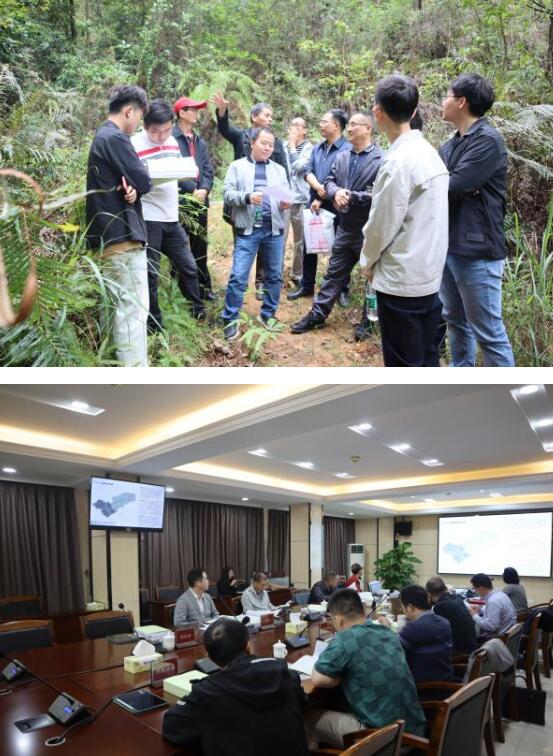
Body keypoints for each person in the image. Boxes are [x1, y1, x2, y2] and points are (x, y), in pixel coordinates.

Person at [360, 75, 449, 367]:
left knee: (403, 365)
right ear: (413, 111)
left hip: (400, 280)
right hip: (429, 276)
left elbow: (381, 225)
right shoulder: (430, 154)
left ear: (377, 113)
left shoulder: (398, 162)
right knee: (427, 357)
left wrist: (367, 262)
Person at [439, 73, 514, 367]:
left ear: (461, 102)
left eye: (446, 95)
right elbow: (438, 182)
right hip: (449, 245)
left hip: (477, 251)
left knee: (489, 333)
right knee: (455, 321)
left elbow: (453, 185)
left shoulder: (487, 141)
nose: (442, 101)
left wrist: (439, 181)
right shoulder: (451, 144)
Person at [291, 112, 383, 336]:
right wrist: (336, 192)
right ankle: (317, 314)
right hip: (345, 227)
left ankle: (369, 321)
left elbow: (379, 194)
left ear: (368, 128)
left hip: (368, 229)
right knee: (333, 274)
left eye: (354, 125)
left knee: (373, 277)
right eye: (348, 124)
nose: (349, 128)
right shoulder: (343, 156)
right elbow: (330, 181)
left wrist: (350, 196)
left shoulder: (381, 159)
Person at [163, 618, 308, 756]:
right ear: (249, 646)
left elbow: (172, 727)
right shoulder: (286, 674)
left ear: (209, 657)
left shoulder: (207, 693)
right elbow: (302, 704)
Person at [305, 589, 426, 749]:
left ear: (338, 620)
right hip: (414, 734)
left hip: (383, 742)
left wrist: (345, 676)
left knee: (307, 717)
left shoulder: (344, 639)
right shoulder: (387, 632)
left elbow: (317, 679)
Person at [86, 84, 152, 367]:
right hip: (122, 237)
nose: (138, 123)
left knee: (117, 310)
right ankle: (135, 374)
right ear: (129, 111)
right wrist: (139, 183)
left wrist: (132, 190)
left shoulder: (101, 136)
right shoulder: (115, 138)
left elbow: (125, 183)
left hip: (107, 236)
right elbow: (144, 179)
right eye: (139, 117)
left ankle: (116, 369)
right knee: (133, 310)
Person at [131, 99, 205, 333]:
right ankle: (154, 324)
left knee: (188, 266)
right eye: (156, 131)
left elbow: (177, 174)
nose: (161, 136)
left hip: (171, 217)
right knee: (150, 273)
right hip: (148, 217)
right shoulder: (134, 144)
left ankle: (197, 312)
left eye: (166, 130)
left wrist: (189, 174)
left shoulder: (172, 141)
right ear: (145, 125)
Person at [212, 93, 290, 299]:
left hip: (268, 202)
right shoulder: (241, 136)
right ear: (254, 117)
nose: (270, 119)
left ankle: (261, 283)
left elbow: (283, 169)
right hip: (243, 201)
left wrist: (286, 196)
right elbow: (224, 129)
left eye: (272, 116)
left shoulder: (274, 142)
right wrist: (222, 111)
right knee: (242, 241)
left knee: (266, 242)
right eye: (266, 115)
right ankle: (240, 280)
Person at [221, 127, 291, 341]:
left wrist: (286, 202)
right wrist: (247, 197)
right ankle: (230, 319)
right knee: (238, 276)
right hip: (248, 230)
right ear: (252, 143)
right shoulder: (237, 166)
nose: (268, 148)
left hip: (274, 230)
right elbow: (227, 193)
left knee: (275, 275)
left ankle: (268, 314)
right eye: (263, 143)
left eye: (271, 145)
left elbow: (286, 195)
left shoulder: (279, 169)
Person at [288, 109, 351, 304]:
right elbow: (308, 170)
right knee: (309, 244)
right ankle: (307, 285)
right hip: (314, 202)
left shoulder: (347, 149)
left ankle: (341, 289)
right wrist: (318, 189)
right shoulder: (317, 148)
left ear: (337, 125)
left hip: (337, 205)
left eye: (325, 122)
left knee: (340, 248)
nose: (321, 125)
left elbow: (342, 177)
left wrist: (323, 196)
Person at [172, 95, 215, 300]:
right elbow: (173, 170)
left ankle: (203, 288)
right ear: (182, 113)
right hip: (181, 202)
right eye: (193, 110)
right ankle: (178, 291)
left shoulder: (200, 142)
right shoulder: (171, 139)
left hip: (200, 202)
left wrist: (204, 189)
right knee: (178, 247)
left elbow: (208, 170)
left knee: (200, 246)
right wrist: (192, 190)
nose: (197, 113)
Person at [387, 584, 453, 683]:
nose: (402, 610)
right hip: (446, 681)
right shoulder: (444, 622)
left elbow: (391, 651)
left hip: (422, 687)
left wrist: (386, 629)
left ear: (410, 607)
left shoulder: (414, 628)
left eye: (402, 606)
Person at [283, 117, 313, 286]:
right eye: (292, 124)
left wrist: (293, 146)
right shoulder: (282, 146)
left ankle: (297, 274)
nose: (294, 128)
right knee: (279, 237)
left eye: (298, 125)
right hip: (283, 198)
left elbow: (299, 167)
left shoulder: (310, 149)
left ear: (305, 130)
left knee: (300, 240)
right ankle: (275, 273)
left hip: (301, 199)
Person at [426, 576, 477, 655]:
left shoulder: (439, 606)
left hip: (459, 651)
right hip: (471, 647)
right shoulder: (456, 598)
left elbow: (438, 632)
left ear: (429, 594)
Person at [468, 573, 517, 640]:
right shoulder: (501, 594)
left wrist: (474, 615)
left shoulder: (493, 601)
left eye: (474, 588)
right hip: (507, 634)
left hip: (498, 640)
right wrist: (480, 610)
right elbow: (496, 614)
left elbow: (491, 627)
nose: (474, 592)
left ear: (481, 588)